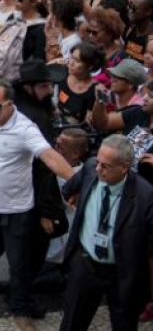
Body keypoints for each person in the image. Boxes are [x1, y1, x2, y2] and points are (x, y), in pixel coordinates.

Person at [0, 77, 74, 331]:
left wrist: (79, 182)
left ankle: (20, 310)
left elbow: (50, 157)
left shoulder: (25, 129)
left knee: (19, 264)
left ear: (10, 104)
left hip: (16, 211)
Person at [60, 135, 153, 331]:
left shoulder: (145, 195)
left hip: (121, 274)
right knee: (71, 324)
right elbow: (66, 191)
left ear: (125, 167)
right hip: (85, 265)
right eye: (98, 162)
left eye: (106, 166)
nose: (98, 169)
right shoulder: (90, 169)